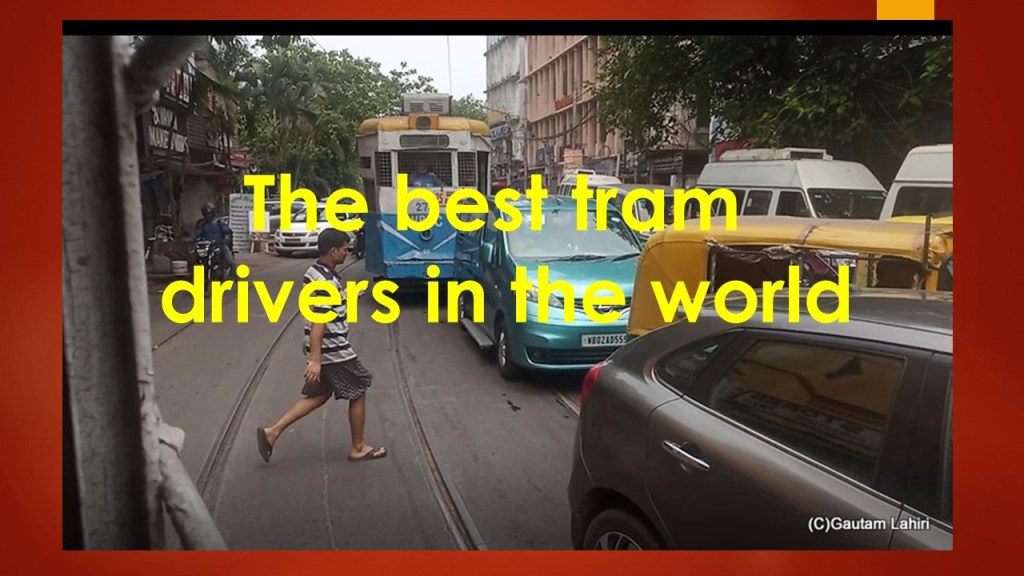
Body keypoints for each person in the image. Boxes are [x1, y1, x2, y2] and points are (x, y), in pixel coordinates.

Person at [256, 229, 388, 463]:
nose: (348, 253)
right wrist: (315, 361)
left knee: (320, 394)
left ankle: (272, 432)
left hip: (324, 347)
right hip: (333, 348)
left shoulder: (316, 272)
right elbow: (319, 320)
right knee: (359, 388)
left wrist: (345, 296)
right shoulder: (325, 281)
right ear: (333, 251)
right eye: (345, 249)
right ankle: (358, 447)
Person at [192, 202, 236, 272]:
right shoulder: (202, 223)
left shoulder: (219, 222)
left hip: (219, 245)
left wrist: (225, 239)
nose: (207, 215)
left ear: (213, 213)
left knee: (230, 261)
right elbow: (197, 233)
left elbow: (227, 232)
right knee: (195, 260)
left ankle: (235, 278)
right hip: (206, 246)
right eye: (205, 213)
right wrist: (190, 239)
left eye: (209, 213)